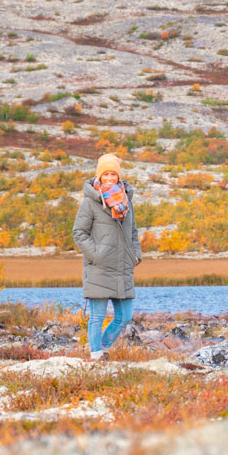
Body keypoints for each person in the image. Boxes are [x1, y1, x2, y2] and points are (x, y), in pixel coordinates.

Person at [72, 153, 141, 360]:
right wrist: (96, 255)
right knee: (97, 316)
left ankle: (102, 347)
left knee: (124, 317)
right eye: (106, 174)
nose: (110, 178)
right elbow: (79, 233)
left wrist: (136, 255)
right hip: (99, 267)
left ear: (118, 176)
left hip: (123, 267)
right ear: (99, 176)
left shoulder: (127, 201)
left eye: (113, 174)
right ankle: (96, 356)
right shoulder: (89, 202)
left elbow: (133, 232)